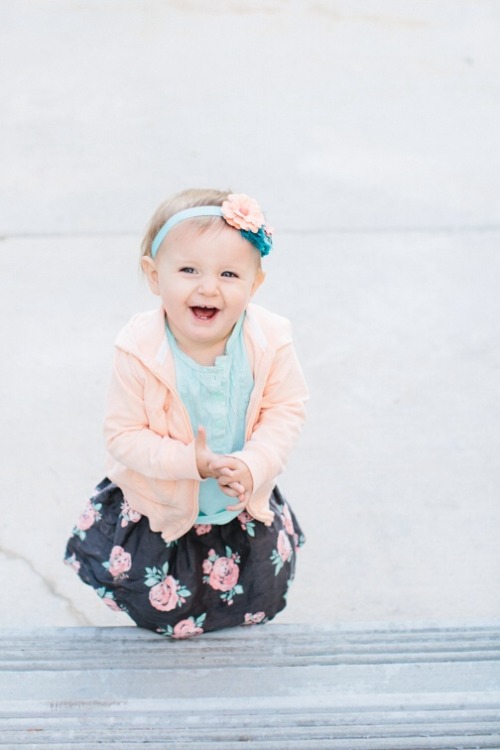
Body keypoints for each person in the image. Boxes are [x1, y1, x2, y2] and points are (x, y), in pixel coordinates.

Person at [64, 188, 308, 639]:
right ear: (154, 276)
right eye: (188, 269)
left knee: (250, 591)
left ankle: (227, 626)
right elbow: (123, 435)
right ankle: (171, 626)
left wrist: (255, 463)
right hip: (163, 503)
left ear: (255, 283)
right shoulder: (139, 349)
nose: (208, 287)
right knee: (160, 600)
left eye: (230, 273)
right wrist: (188, 462)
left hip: (237, 501)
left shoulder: (271, 340)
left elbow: (285, 410)